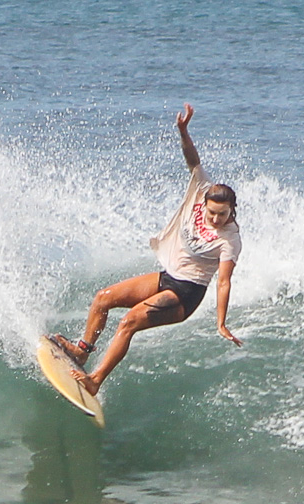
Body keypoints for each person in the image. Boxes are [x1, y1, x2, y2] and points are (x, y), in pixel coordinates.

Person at [52, 104, 242, 395]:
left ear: (232, 211)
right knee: (103, 298)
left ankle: (95, 380)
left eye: (224, 214)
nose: (217, 219)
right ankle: (81, 352)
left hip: (186, 294)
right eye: (212, 213)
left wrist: (221, 323)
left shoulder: (229, 239)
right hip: (168, 277)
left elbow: (224, 281)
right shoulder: (202, 188)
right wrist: (183, 131)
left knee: (128, 323)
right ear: (204, 203)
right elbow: (192, 160)